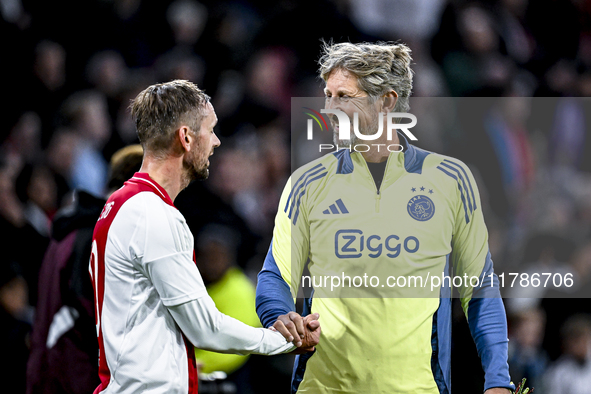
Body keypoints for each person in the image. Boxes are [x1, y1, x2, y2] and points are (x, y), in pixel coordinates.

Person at [256, 42, 513, 393]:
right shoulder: (306, 183)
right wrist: (280, 316)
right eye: (328, 95)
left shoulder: (450, 180)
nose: (329, 109)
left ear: (388, 101)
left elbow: (480, 288)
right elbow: (275, 274)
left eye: (344, 97)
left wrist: (498, 378)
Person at [89, 80, 320, 394]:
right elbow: (206, 328)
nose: (217, 142)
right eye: (211, 130)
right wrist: (281, 341)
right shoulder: (152, 214)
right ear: (185, 137)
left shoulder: (122, 203)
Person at [26, 144, 144, 394]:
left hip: (52, 375)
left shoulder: (72, 231)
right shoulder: (97, 238)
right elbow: (105, 329)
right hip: (77, 379)